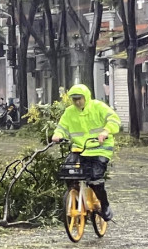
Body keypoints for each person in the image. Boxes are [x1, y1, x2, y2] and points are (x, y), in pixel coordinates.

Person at [51, 84, 121, 221]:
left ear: (86, 97)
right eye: (74, 99)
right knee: (68, 172)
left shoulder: (98, 106)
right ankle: (75, 197)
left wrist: (106, 131)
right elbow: (62, 127)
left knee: (95, 178)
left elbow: (114, 119)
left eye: (80, 98)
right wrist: (57, 135)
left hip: (101, 148)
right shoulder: (69, 112)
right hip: (80, 149)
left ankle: (104, 204)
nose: (77, 102)